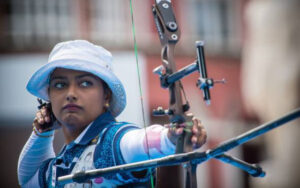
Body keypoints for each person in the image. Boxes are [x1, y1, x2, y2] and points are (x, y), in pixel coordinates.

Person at [17, 40, 207, 187]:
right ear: (49, 97)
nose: (70, 94)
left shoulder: (111, 140)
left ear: (106, 94)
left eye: (85, 83)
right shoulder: (64, 159)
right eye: (60, 85)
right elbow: (27, 180)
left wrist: (172, 137)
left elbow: (137, 143)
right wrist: (42, 133)